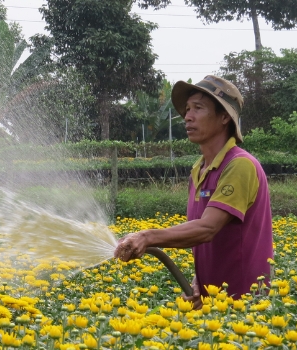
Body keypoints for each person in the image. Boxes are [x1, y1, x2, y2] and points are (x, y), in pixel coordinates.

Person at [114, 75, 273, 308]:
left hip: (245, 306)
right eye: (187, 109)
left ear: (224, 117)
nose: (187, 117)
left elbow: (208, 228)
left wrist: (147, 237)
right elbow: (204, 239)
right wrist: (200, 281)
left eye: (198, 108)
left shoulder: (240, 165)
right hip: (212, 304)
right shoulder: (200, 169)